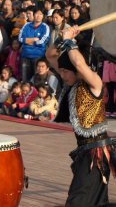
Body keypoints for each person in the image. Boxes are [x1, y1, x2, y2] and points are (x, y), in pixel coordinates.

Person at [46, 25, 116, 206]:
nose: (61, 74)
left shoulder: (94, 83)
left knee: (77, 201)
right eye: (60, 71)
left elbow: (78, 63)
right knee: (94, 202)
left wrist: (70, 41)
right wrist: (62, 38)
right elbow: (50, 55)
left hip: (96, 154)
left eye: (65, 71)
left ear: (77, 72)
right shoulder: (72, 79)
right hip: (85, 152)